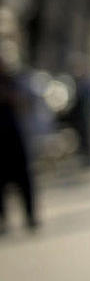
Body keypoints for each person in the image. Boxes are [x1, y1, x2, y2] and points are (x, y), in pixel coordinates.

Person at [0, 57, 38, 232]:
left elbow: (27, 104)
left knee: (24, 178)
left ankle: (30, 216)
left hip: (15, 137)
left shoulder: (15, 81)